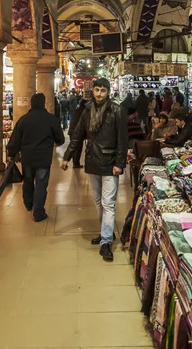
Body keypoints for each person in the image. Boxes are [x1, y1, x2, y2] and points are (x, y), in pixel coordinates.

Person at [61, 78, 128, 263]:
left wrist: (119, 164)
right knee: (98, 201)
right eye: (97, 90)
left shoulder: (117, 110)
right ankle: (106, 231)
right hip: (92, 162)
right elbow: (77, 136)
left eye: (103, 90)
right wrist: (66, 157)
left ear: (108, 92)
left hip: (110, 162)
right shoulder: (86, 111)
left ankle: (106, 241)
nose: (99, 94)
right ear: (93, 91)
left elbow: (123, 140)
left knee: (108, 203)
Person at [7, 93, 64, 222]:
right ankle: (38, 212)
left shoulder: (24, 119)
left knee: (27, 181)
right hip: (43, 158)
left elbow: (15, 139)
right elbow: (60, 139)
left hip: (27, 158)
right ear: (43, 103)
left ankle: (29, 204)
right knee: (41, 184)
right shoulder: (51, 119)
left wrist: (11, 154)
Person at [68, 97, 87, 168]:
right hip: (77, 132)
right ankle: (76, 163)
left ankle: (75, 162)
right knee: (78, 148)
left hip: (72, 131)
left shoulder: (77, 109)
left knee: (74, 148)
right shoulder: (83, 111)